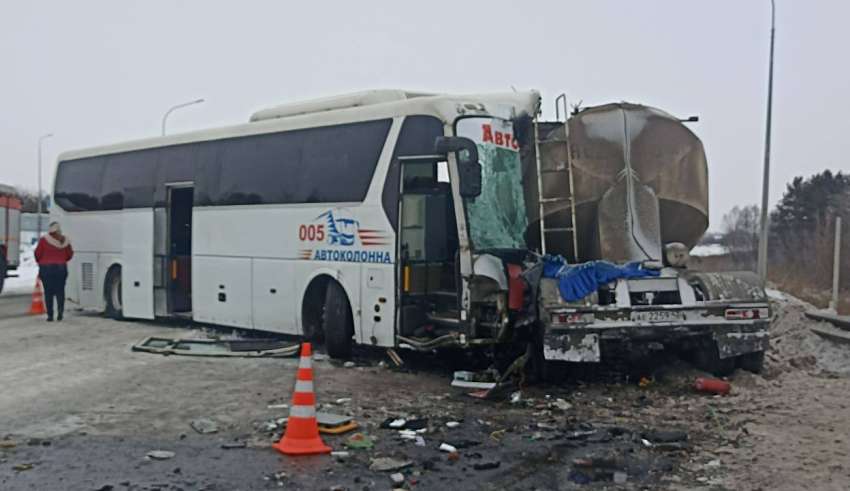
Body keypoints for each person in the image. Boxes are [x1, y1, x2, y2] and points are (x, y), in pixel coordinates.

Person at [35, 222, 73, 322]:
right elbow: (70, 254)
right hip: (61, 268)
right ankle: (60, 313)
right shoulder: (65, 240)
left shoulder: (44, 240)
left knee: (48, 293)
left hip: (46, 269)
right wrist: (62, 259)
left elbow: (37, 254)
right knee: (60, 291)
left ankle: (50, 315)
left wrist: (42, 261)